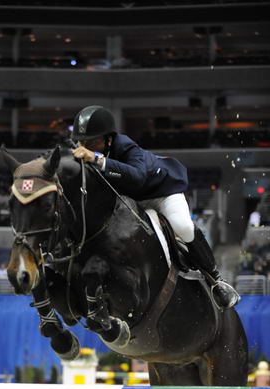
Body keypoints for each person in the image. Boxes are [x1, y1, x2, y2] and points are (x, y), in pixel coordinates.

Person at [71, 105, 239, 309]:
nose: (87, 148)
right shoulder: (85, 156)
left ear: (108, 139)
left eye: (93, 142)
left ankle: (216, 280)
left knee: (183, 226)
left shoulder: (125, 146)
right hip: (133, 201)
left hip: (162, 193)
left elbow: (138, 178)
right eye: (83, 143)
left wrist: (98, 160)